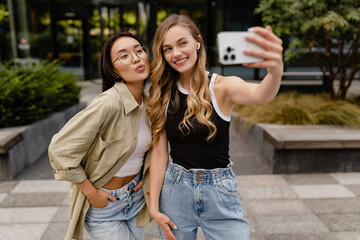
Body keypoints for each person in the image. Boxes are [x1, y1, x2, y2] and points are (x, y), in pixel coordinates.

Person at [147, 14, 283, 240]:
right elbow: (159, 152)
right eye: (168, 48)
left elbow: (260, 94)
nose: (176, 53)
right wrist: (154, 207)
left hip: (219, 192)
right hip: (175, 192)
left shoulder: (221, 86)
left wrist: (275, 71)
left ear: (197, 42)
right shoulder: (162, 94)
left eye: (183, 43)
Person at [48, 32, 152, 240]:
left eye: (139, 50)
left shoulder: (149, 104)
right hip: (106, 205)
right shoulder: (109, 103)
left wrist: (146, 177)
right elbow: (60, 149)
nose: (136, 58)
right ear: (113, 71)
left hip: (135, 197)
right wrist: (91, 193)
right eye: (124, 56)